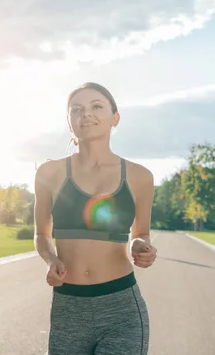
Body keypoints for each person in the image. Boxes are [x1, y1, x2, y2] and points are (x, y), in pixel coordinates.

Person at [34, 82, 157, 355]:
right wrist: (51, 259)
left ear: (115, 118)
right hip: (68, 309)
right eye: (76, 109)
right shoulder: (49, 173)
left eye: (96, 106)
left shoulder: (140, 177)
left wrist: (140, 245)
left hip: (121, 308)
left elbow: (141, 232)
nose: (86, 114)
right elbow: (41, 234)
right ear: (69, 122)